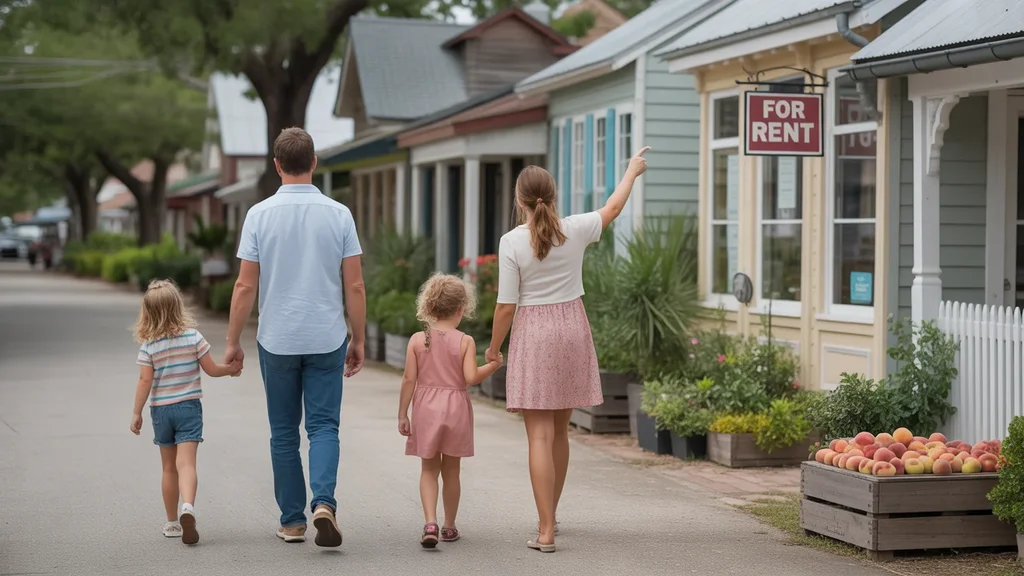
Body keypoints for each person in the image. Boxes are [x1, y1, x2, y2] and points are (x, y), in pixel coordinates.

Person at [485, 146, 650, 553]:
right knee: (560, 432)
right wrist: (631, 170)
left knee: (537, 436)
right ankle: (551, 517)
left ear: (519, 200)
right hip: (572, 328)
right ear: (552, 197)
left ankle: (544, 530)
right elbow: (612, 208)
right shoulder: (573, 228)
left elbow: (506, 306)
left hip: (535, 334)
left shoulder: (511, 242)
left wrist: (492, 349)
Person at [225, 127, 366, 548]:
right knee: (324, 427)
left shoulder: (259, 215)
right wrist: (358, 338)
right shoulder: (339, 214)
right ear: (314, 163)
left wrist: (232, 341)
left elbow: (245, 287)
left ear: (276, 165)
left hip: (278, 337)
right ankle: (324, 503)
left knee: (284, 431)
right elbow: (354, 285)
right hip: (326, 335)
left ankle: (292, 520)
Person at [129, 279, 241, 546]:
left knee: (169, 468)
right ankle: (188, 507)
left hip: (161, 410)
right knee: (187, 463)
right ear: (178, 306)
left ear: (148, 312)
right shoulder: (193, 337)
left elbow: (144, 381)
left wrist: (136, 412)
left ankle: (171, 523)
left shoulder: (149, 346)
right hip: (189, 407)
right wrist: (231, 369)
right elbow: (211, 369)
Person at [398, 274, 503, 548]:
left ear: (429, 307)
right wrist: (493, 365)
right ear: (461, 310)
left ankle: (430, 521)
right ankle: (449, 525)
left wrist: (402, 414)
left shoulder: (418, 340)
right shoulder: (465, 341)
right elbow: (470, 377)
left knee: (428, 469)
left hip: (426, 410)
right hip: (456, 409)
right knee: (452, 472)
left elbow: (409, 379)